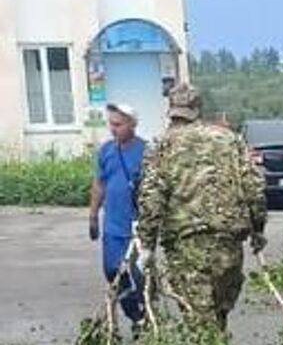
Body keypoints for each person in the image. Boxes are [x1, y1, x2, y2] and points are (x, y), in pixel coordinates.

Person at [134, 84, 267, 331]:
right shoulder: (229, 140)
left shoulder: (161, 145)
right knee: (218, 316)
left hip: (186, 245)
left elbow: (151, 196)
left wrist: (147, 244)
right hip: (228, 242)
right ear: (198, 109)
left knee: (200, 326)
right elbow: (254, 186)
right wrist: (258, 230)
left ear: (171, 110)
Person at [89, 103, 147, 324]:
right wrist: (93, 216)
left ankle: (143, 315)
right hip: (112, 227)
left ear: (132, 125)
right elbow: (99, 184)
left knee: (138, 277)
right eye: (111, 124)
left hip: (137, 228)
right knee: (114, 274)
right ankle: (133, 317)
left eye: (118, 125)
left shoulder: (146, 151)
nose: (113, 129)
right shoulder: (106, 151)